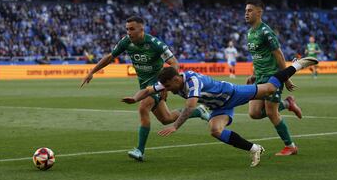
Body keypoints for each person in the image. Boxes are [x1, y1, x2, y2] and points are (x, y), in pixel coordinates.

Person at [122, 57, 318, 167]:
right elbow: (148, 89)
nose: (166, 89)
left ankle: (297, 65)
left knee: (269, 89)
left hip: (231, 94)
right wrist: (135, 98)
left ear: (176, 80)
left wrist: (175, 125)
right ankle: (255, 149)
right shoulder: (169, 81)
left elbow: (191, 106)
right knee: (215, 130)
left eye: (167, 86)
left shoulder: (192, 81)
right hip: (218, 107)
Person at [81, 16, 210, 161]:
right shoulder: (125, 42)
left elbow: (174, 64)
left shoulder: (155, 44)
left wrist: (165, 87)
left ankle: (140, 150)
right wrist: (92, 71)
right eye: (127, 29)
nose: (129, 32)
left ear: (141, 29)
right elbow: (111, 56)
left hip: (156, 84)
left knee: (143, 107)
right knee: (166, 119)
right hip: (144, 85)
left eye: (132, 29)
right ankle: (198, 111)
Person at [245, 0, 300, 156]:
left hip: (273, 76)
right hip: (260, 77)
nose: (246, 13)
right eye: (246, 10)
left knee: (271, 112)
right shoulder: (250, 33)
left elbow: (279, 56)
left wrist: (286, 78)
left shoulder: (266, 32)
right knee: (254, 113)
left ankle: (290, 146)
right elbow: (258, 56)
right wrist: (254, 75)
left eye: (249, 10)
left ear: (259, 12)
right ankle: (287, 104)